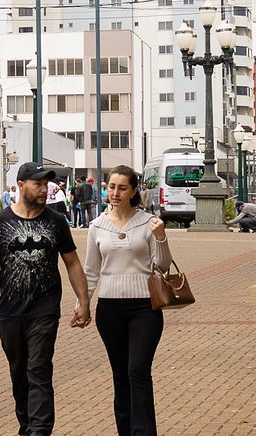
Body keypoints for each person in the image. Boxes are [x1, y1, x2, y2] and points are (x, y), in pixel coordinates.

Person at [0, 162, 91, 436]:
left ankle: (39, 430)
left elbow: (72, 263)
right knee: (19, 374)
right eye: (38, 184)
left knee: (39, 369)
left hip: (45, 310)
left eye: (46, 184)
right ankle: (27, 426)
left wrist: (84, 301)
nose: (44, 190)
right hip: (10, 312)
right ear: (21, 185)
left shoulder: (56, 222)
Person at [84, 164, 171, 436]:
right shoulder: (97, 226)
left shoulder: (148, 223)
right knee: (121, 377)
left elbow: (163, 265)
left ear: (133, 190)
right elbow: (90, 270)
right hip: (109, 310)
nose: (115, 193)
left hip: (145, 307)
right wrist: (83, 303)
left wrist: (161, 238)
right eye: (112, 187)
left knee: (138, 372)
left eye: (122, 188)